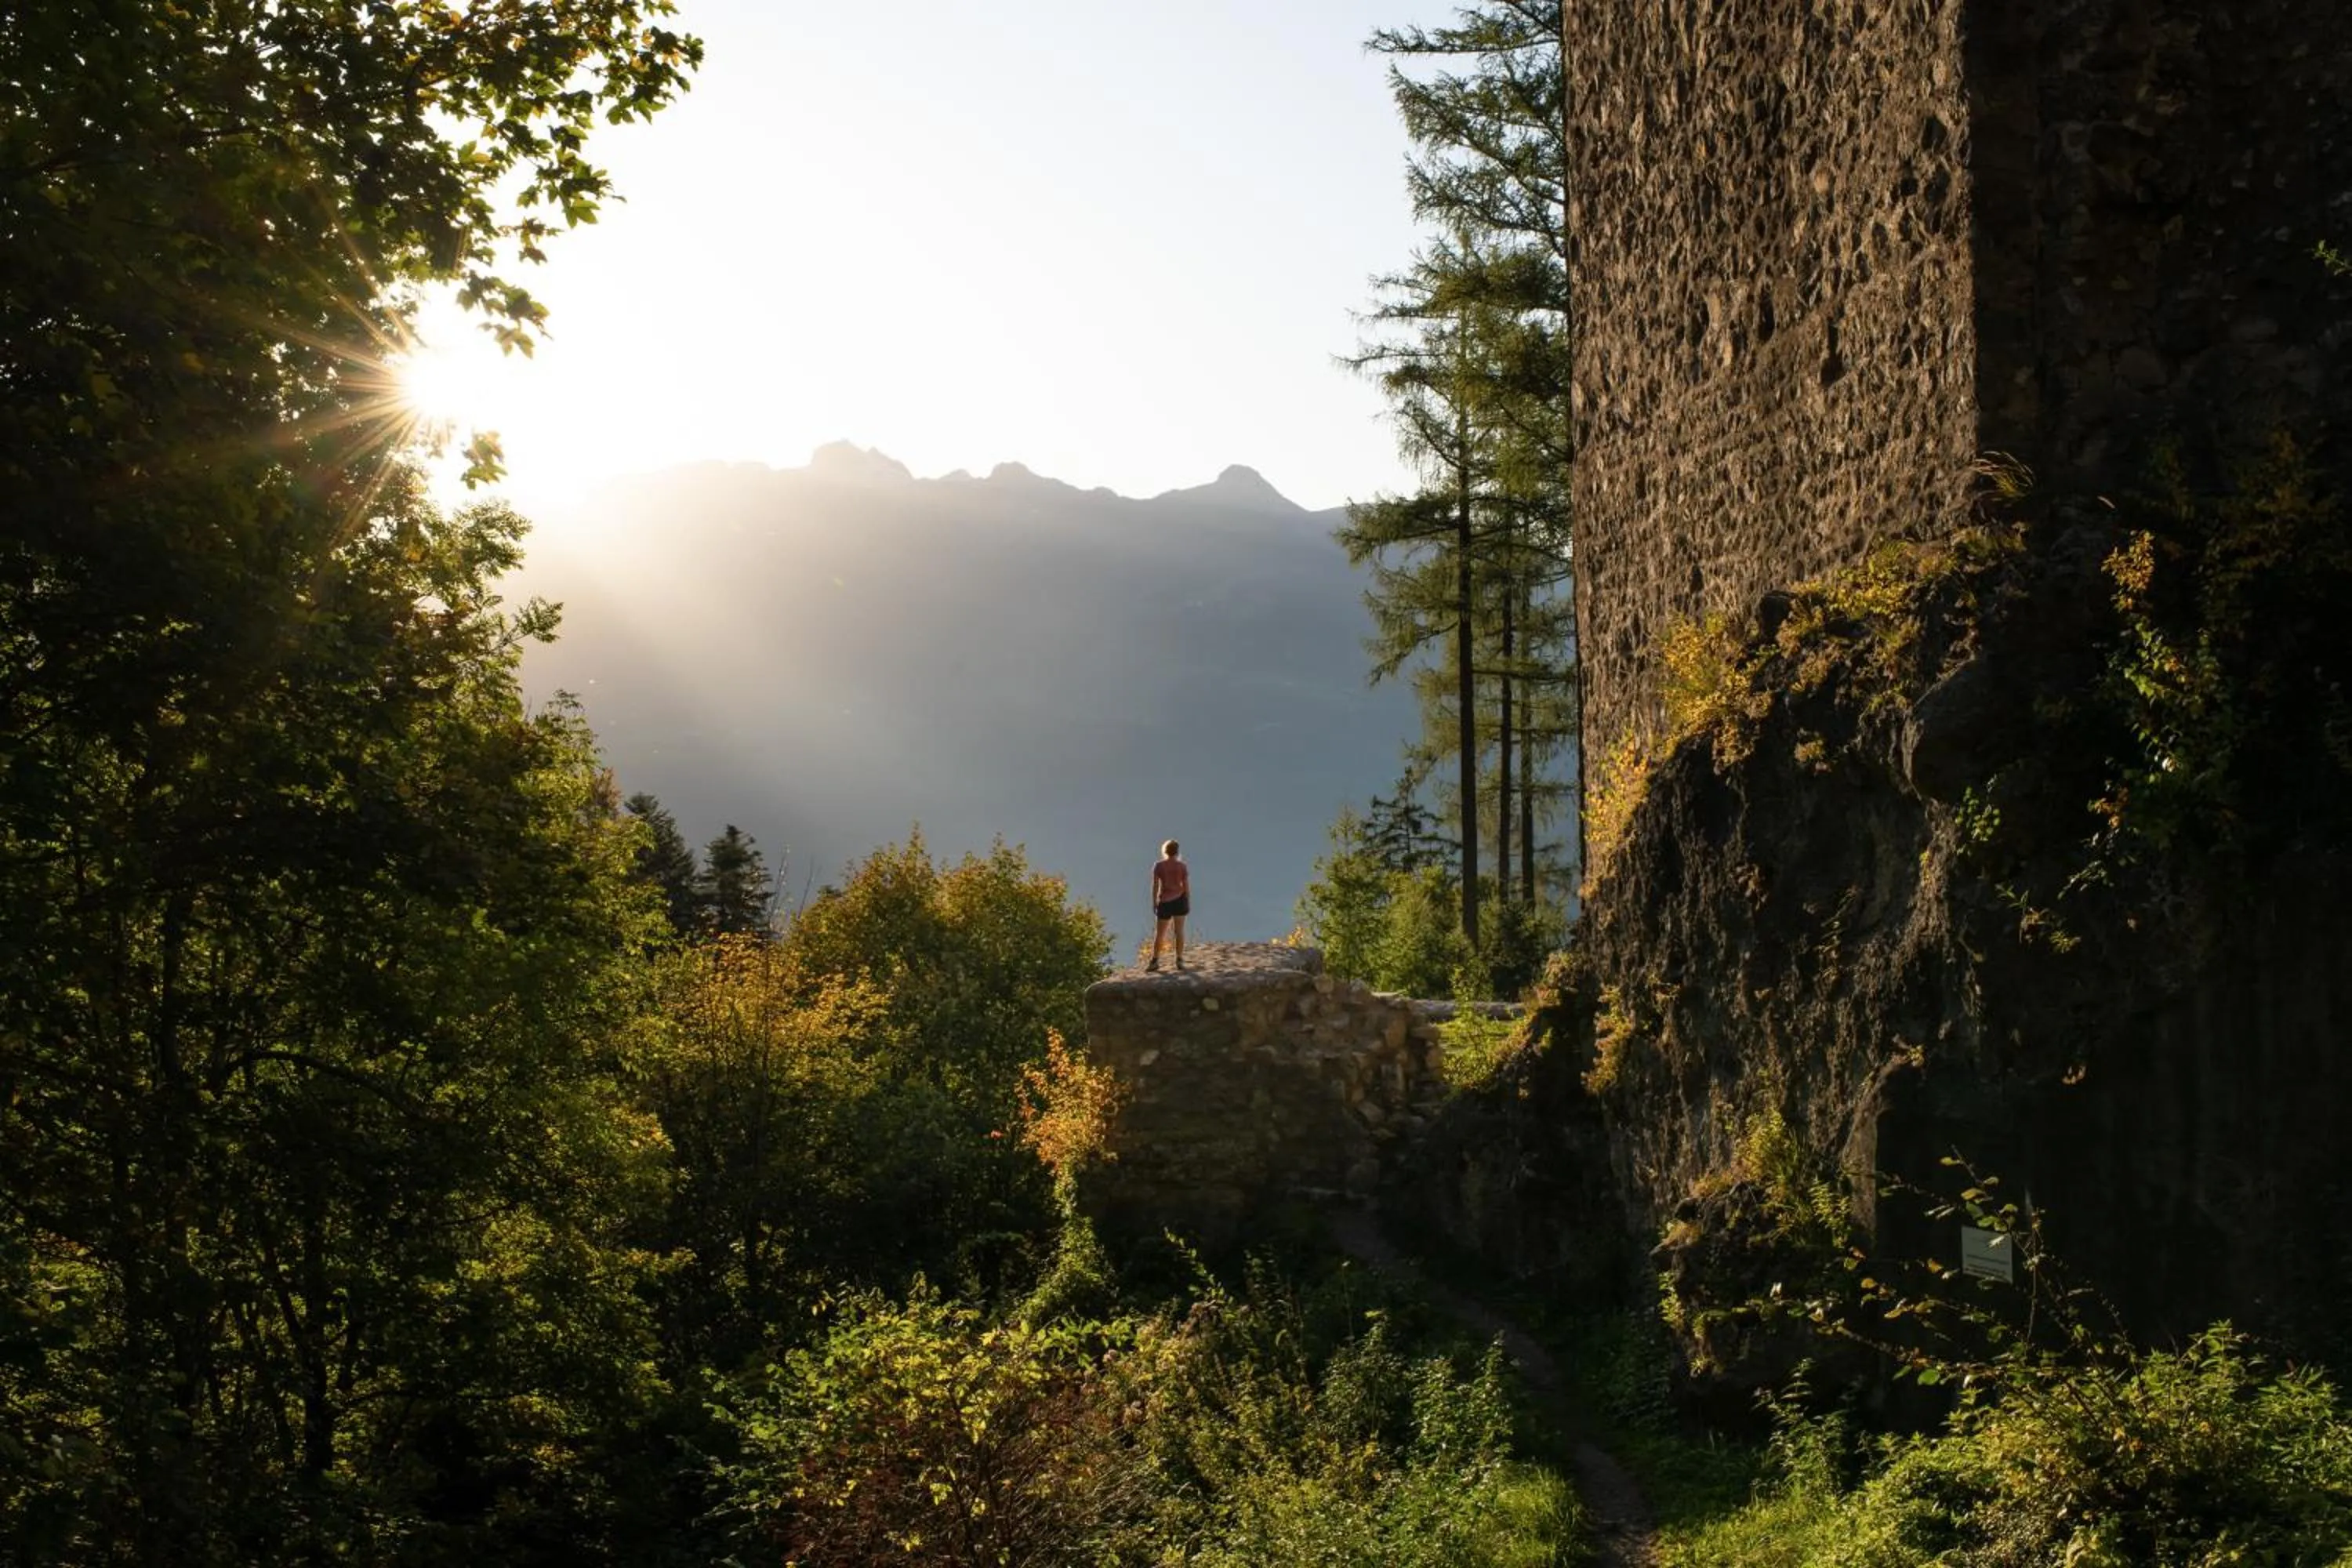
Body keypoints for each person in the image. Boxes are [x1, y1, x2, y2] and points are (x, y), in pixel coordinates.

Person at [1146, 839, 1189, 971]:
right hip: (1180, 899)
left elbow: (1155, 885)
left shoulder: (1159, 865)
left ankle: (1155, 961)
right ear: (1177, 851)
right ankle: (1180, 960)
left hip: (1165, 901)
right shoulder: (1182, 866)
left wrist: (1154, 901)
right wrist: (1187, 900)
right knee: (1179, 931)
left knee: (1160, 934)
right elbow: (1186, 886)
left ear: (1165, 850)